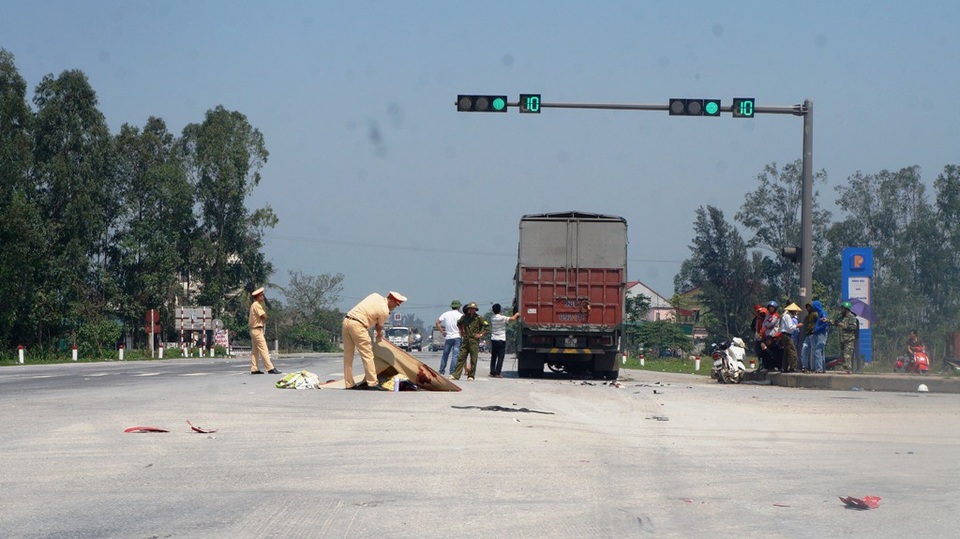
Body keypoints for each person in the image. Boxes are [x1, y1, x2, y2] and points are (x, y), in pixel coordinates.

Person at [342, 291, 406, 390]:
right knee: (368, 355)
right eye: (396, 305)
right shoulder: (384, 311)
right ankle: (372, 383)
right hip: (359, 325)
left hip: (347, 321)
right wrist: (380, 335)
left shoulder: (375, 295)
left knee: (348, 355)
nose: (394, 307)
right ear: (392, 301)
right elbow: (379, 327)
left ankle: (349, 383)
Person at [453, 302, 489, 381]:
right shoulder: (464, 317)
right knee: (461, 357)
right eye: (470, 308)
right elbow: (459, 323)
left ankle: (471, 376)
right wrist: (461, 331)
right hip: (466, 339)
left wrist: (480, 334)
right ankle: (456, 375)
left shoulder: (479, 318)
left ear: (475, 310)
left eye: (473, 309)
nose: (471, 310)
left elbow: (487, 326)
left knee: (473, 359)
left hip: (474, 340)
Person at [249, 287, 281, 375]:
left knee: (255, 351)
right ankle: (270, 368)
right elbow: (264, 316)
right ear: (258, 297)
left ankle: (254, 368)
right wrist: (265, 315)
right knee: (264, 349)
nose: (263, 297)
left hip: (254, 330)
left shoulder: (253, 305)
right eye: (262, 296)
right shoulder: (257, 305)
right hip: (257, 330)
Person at [489, 303, 520, 378]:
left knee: (494, 356)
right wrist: (517, 314)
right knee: (500, 357)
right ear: (500, 310)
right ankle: (497, 373)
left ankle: (492, 371)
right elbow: (512, 319)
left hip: (493, 339)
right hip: (501, 339)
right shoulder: (502, 318)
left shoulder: (492, 318)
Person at [800, 300, 830, 373]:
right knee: (819, 351)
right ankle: (821, 368)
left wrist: (816, 329)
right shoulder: (819, 313)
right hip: (817, 333)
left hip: (821, 334)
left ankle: (819, 368)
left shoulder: (822, 313)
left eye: (813, 306)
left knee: (818, 351)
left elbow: (825, 324)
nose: (812, 308)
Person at [435, 300, 462, 376]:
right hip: (457, 336)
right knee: (455, 355)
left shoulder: (446, 314)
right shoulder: (460, 315)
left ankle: (441, 370)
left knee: (445, 354)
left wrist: (442, 332)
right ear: (458, 307)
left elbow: (437, 323)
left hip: (448, 337)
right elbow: (462, 326)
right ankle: (452, 371)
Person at [833, 301, 861, 372]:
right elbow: (835, 322)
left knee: (847, 355)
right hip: (842, 339)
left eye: (842, 308)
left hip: (849, 339)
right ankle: (845, 368)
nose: (841, 310)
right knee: (842, 355)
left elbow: (853, 327)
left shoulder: (852, 317)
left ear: (846, 309)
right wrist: (829, 321)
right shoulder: (841, 317)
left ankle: (848, 369)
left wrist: (843, 325)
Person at [771, 301, 799, 372]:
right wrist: (797, 326)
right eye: (795, 311)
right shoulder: (787, 316)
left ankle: (785, 367)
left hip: (785, 335)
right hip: (786, 335)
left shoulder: (786, 316)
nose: (796, 312)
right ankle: (793, 367)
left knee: (786, 352)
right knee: (792, 351)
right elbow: (790, 327)